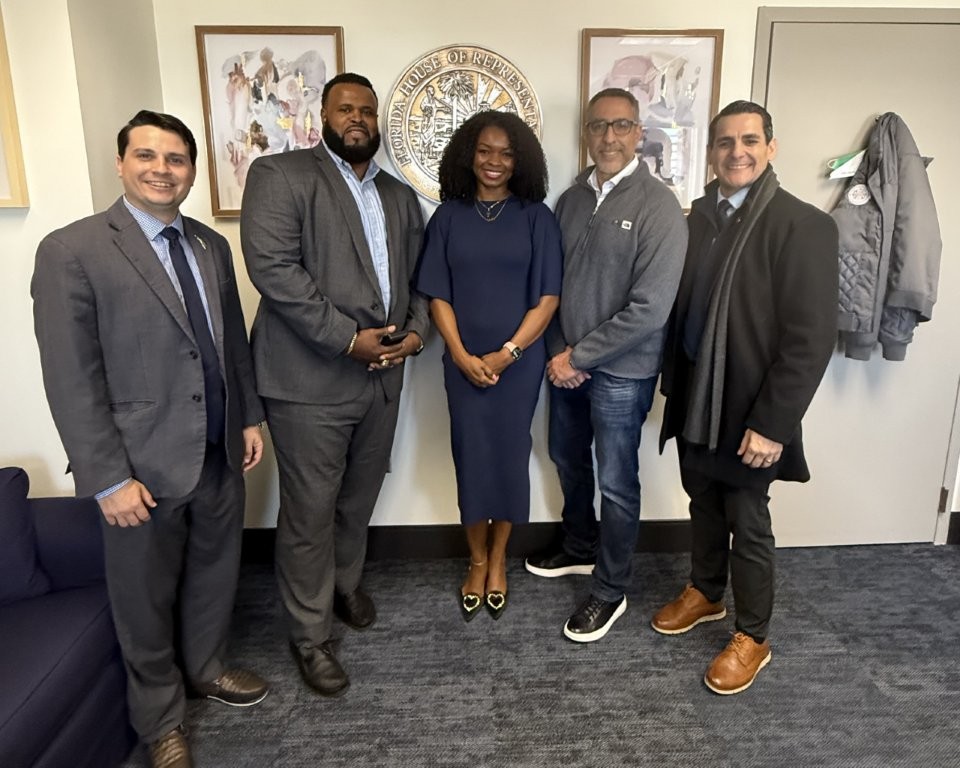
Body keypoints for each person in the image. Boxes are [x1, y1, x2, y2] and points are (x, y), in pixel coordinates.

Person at [32, 110, 268, 768]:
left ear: (191, 172)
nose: (162, 169)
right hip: (139, 464)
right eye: (147, 156)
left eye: (176, 159)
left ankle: (207, 667)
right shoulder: (71, 250)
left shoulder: (209, 245)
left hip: (219, 448)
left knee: (214, 574)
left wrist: (248, 416)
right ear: (120, 163)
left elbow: (230, 343)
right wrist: (106, 477)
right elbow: (70, 376)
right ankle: (161, 721)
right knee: (143, 600)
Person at [240, 72, 428, 697]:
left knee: (358, 497)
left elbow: (421, 278)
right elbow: (274, 269)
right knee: (309, 512)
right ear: (321, 116)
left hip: (384, 376)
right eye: (345, 108)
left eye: (367, 111)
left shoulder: (398, 196)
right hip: (309, 381)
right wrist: (348, 339)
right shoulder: (281, 175)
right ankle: (309, 636)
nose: (357, 119)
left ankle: (345, 585)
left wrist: (415, 335)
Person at [654, 100, 839, 694]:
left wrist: (773, 424)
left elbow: (812, 338)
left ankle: (753, 636)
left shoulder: (802, 225)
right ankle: (707, 593)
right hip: (695, 397)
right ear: (711, 152)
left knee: (747, 519)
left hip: (751, 408)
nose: (738, 152)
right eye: (726, 142)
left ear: (771, 147)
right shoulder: (697, 219)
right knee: (702, 502)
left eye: (750, 140)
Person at [525, 88, 687, 642]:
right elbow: (549, 286)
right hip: (565, 362)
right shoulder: (571, 200)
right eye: (598, 126)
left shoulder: (659, 206)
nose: (609, 137)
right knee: (566, 458)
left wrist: (580, 356)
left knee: (616, 482)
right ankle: (578, 545)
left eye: (621, 126)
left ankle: (610, 588)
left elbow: (650, 309)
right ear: (586, 133)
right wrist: (558, 353)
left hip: (623, 371)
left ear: (639, 133)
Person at [416, 111, 562, 622]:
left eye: (505, 153)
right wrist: (460, 356)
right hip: (462, 365)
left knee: (509, 458)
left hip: (517, 366)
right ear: (468, 155)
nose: (494, 161)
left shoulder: (537, 218)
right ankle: (476, 560)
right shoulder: (448, 217)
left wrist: (508, 353)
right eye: (484, 151)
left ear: (520, 161)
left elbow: (547, 300)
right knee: (471, 458)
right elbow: (437, 295)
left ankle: (499, 559)